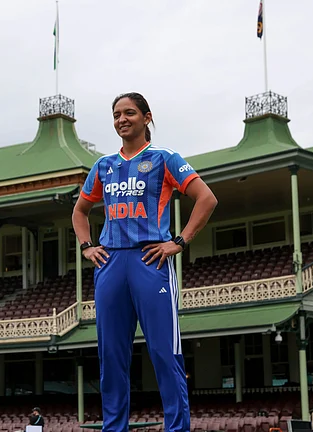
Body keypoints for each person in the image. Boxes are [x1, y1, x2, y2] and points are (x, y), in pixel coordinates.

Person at [72, 92, 217, 432]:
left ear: (147, 117)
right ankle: (114, 428)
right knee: (111, 356)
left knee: (165, 354)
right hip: (109, 263)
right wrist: (86, 246)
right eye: (117, 114)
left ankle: (177, 428)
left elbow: (206, 199)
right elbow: (80, 211)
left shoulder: (164, 158)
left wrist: (179, 241)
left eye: (130, 113)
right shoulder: (103, 166)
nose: (122, 119)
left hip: (150, 260)